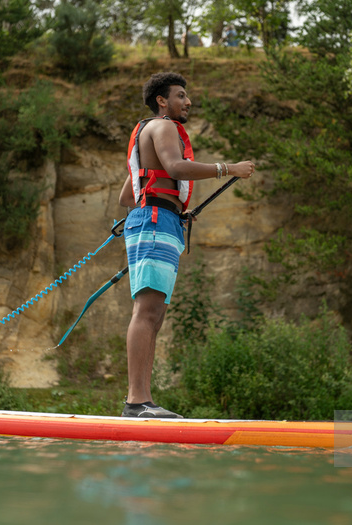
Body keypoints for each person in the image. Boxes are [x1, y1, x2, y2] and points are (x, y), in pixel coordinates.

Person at [118, 72, 255, 418]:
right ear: (162, 101)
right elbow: (177, 167)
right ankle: (136, 403)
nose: (188, 101)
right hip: (152, 223)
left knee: (155, 313)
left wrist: (173, 208)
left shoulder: (147, 134)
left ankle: (143, 401)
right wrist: (230, 168)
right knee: (147, 311)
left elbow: (127, 195)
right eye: (180, 95)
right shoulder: (163, 127)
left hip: (157, 221)